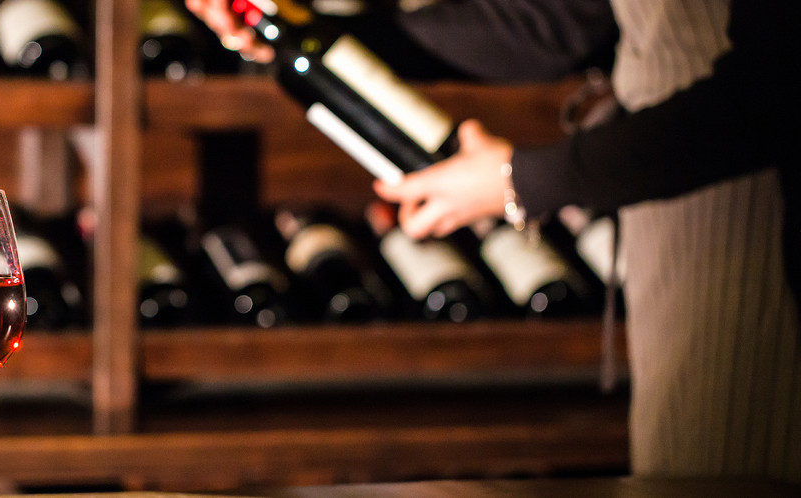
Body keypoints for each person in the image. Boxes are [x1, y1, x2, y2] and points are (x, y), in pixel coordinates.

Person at [187, 0, 801, 484]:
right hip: (668, 213)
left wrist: (523, 180)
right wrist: (297, 28)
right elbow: (558, 21)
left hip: (750, 225)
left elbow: (765, 95)